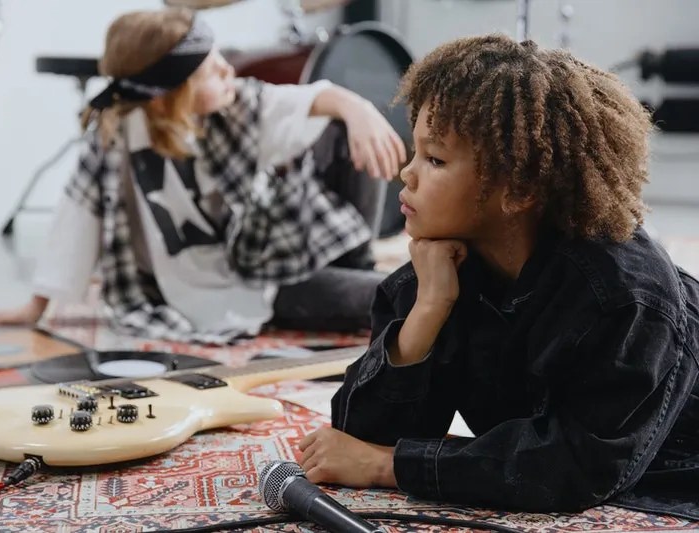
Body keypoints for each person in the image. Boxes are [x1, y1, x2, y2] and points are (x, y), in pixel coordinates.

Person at [298, 34, 699, 518]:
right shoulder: (436, 269)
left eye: (436, 159)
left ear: (520, 189)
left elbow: (577, 466)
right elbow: (353, 437)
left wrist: (390, 465)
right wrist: (428, 311)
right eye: (415, 151)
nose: (407, 174)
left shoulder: (626, 299)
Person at [0, 7, 406, 343]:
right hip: (253, 283)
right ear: (166, 98)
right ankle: (362, 284)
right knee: (399, 296)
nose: (227, 70)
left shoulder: (236, 107)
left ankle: (356, 262)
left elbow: (310, 98)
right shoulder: (114, 144)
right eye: (209, 70)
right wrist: (35, 306)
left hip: (276, 243)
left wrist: (360, 109)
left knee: (340, 121)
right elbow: (76, 219)